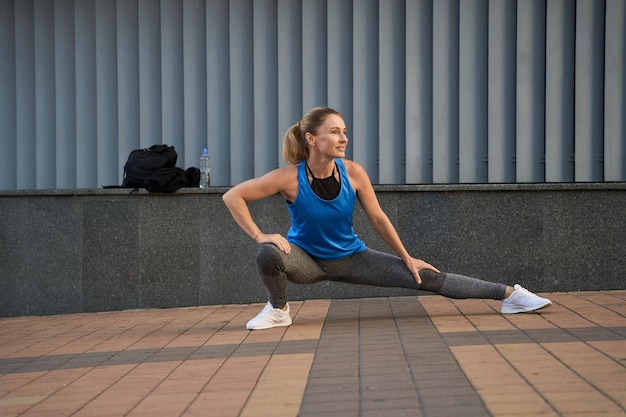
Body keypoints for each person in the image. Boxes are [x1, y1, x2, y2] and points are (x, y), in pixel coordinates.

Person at [222, 107, 552, 330]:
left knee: (427, 276)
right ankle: (278, 312)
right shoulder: (288, 178)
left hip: (352, 258)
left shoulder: (352, 173)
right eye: (334, 132)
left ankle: (510, 296)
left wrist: (407, 258)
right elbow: (233, 195)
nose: (343, 138)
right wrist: (260, 235)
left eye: (344, 132)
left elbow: (378, 218)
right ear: (311, 139)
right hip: (306, 260)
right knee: (267, 253)